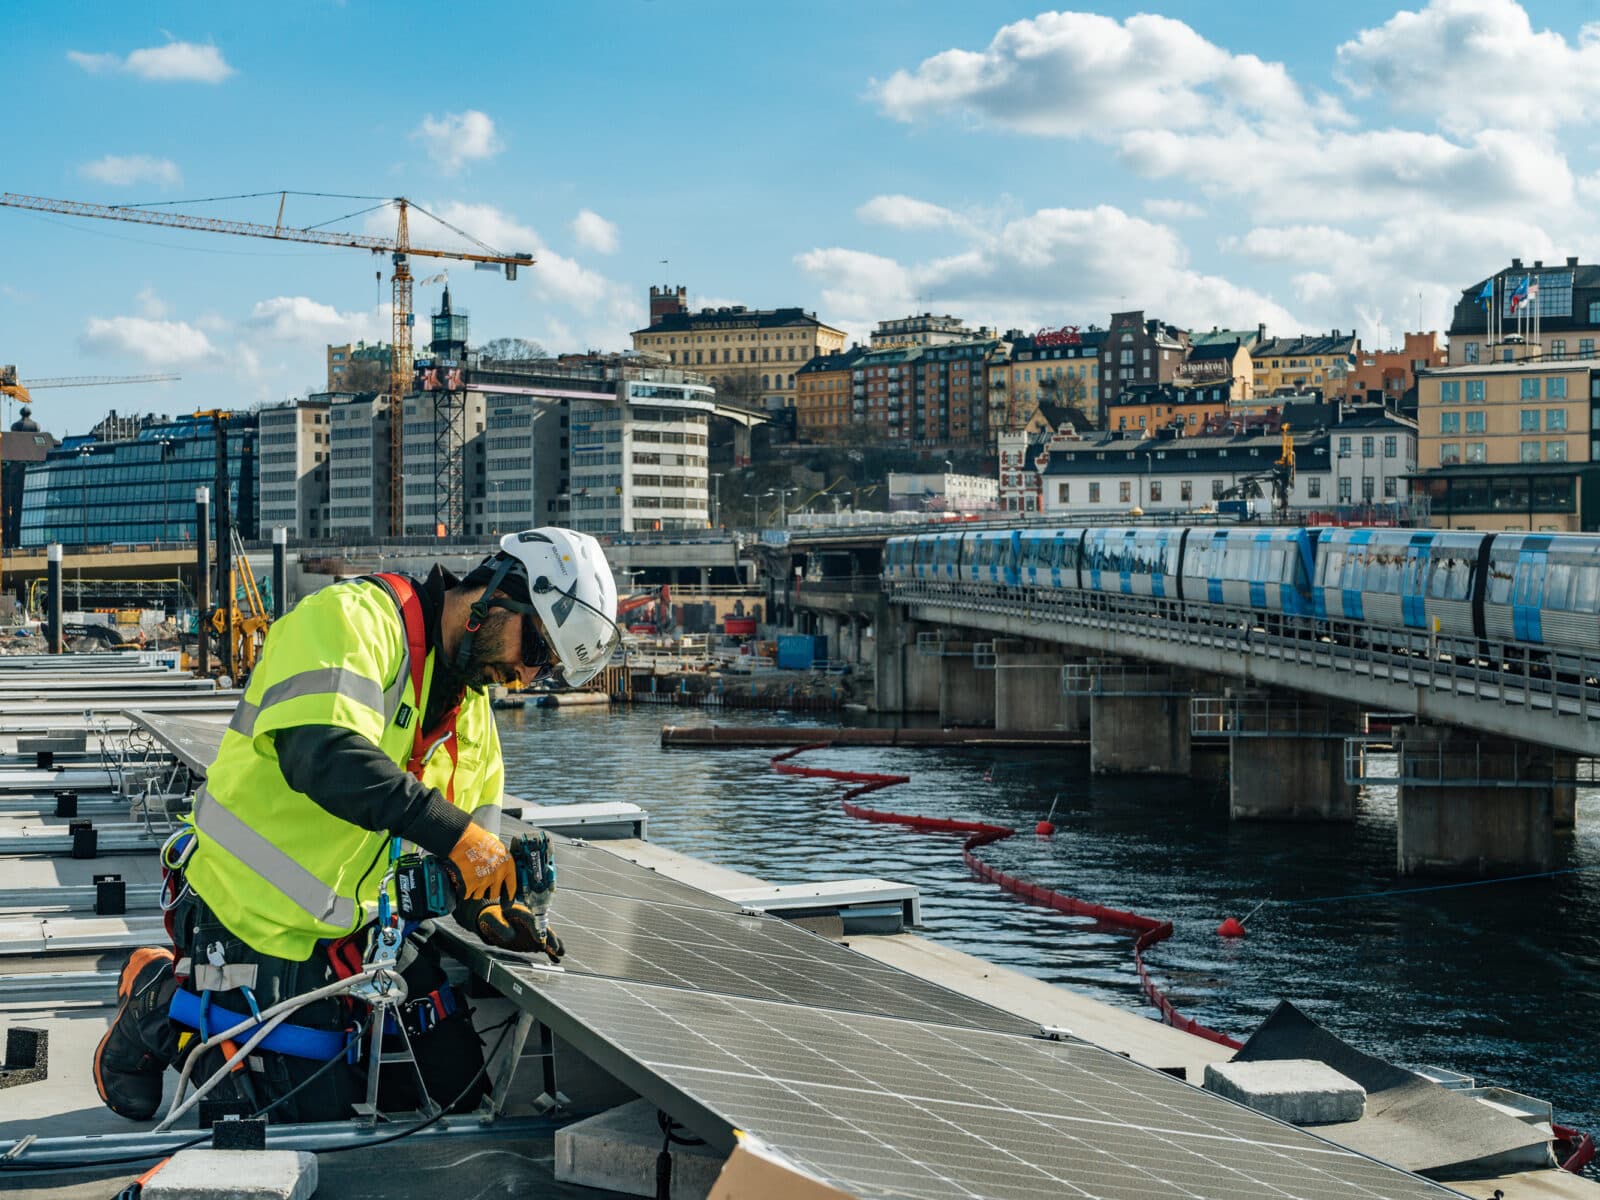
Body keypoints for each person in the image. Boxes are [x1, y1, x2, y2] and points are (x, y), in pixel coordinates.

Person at [94, 528, 620, 1124]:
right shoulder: (354, 620)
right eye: (536, 650)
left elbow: (471, 849)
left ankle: (272, 1029)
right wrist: (456, 836)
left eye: (546, 669)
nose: (527, 676)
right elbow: (322, 754)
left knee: (457, 1088)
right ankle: (159, 1001)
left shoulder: (472, 718)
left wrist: (487, 907)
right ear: (499, 593)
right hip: (247, 913)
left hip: (361, 932)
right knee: (300, 1126)